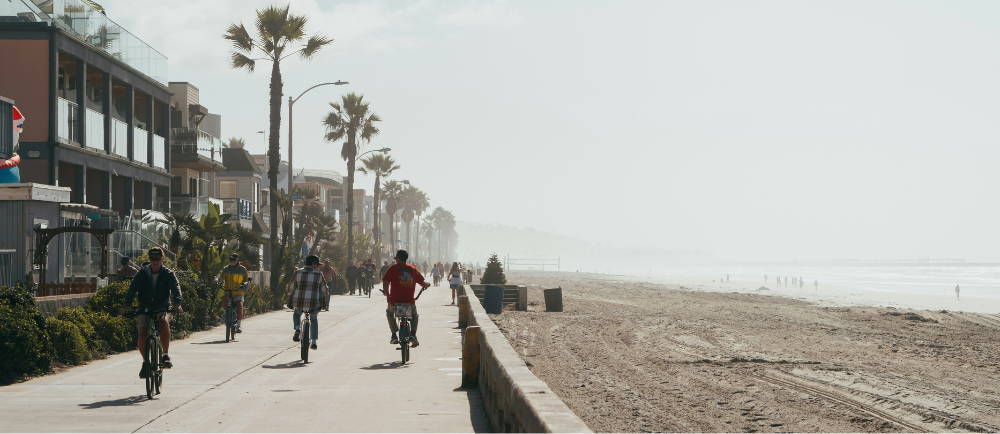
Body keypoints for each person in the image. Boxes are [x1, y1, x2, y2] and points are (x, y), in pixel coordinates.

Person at [124, 248, 182, 378]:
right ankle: (146, 361)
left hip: (162, 306)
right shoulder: (142, 273)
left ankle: (165, 354)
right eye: (152, 259)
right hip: (144, 307)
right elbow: (132, 289)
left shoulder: (168, 273)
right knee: (143, 331)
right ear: (149, 260)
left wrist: (177, 303)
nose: (155, 262)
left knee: (163, 321)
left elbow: (176, 288)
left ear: (162, 259)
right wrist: (127, 304)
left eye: (157, 259)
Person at [382, 249, 430, 347]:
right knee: (415, 316)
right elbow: (423, 283)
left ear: (398, 259)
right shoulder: (413, 269)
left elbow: (385, 282)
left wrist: (387, 295)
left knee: (390, 313)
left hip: (394, 301)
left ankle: (394, 335)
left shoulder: (393, 269)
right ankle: (413, 334)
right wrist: (427, 284)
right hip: (409, 301)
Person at [287, 255, 329, 350]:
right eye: (317, 265)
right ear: (314, 264)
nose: (318, 267)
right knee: (313, 319)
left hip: (299, 302)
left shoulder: (297, 272)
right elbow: (324, 290)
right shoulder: (319, 274)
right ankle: (313, 342)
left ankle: (297, 329)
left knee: (297, 314)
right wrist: (325, 295)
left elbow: (291, 287)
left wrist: (290, 296)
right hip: (314, 303)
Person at [219, 253, 248, 333]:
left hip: (238, 292)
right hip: (228, 291)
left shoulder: (242, 269)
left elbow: (246, 280)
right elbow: (221, 278)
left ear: (237, 260)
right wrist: (218, 281)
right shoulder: (226, 269)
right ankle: (225, 315)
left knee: (239, 305)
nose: (231, 261)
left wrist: (245, 284)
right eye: (230, 260)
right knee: (224, 299)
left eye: (233, 260)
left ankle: (238, 325)